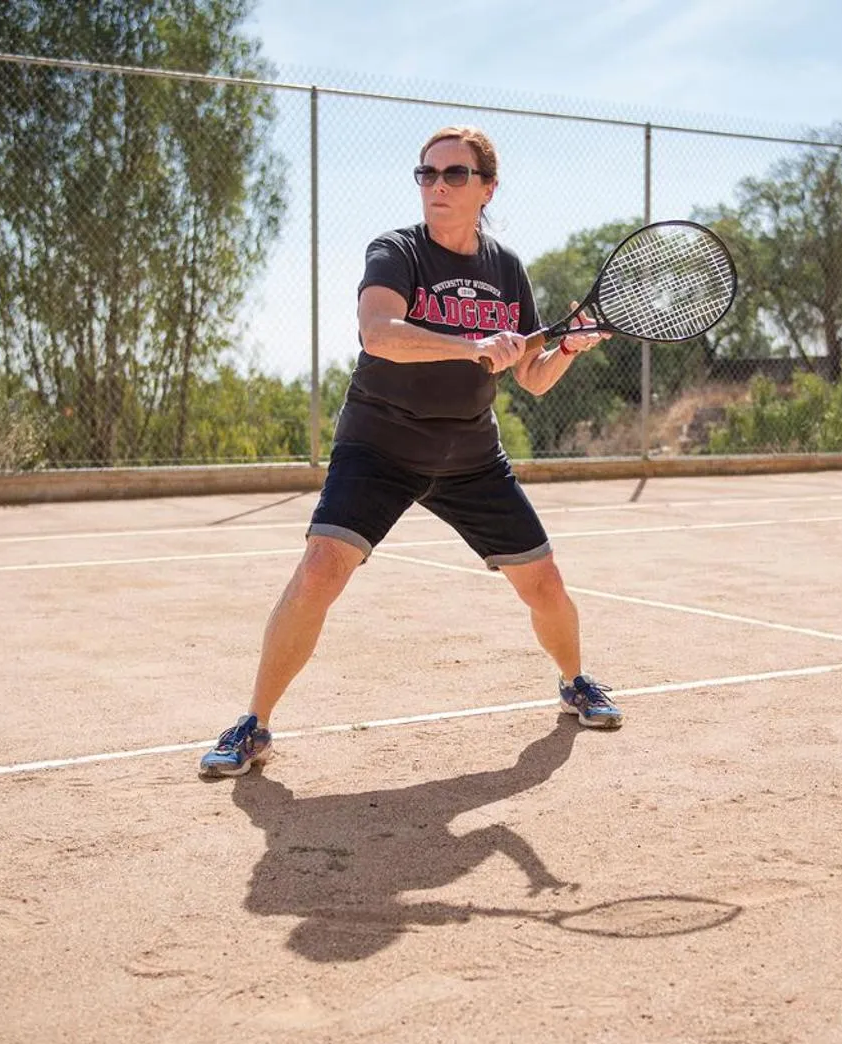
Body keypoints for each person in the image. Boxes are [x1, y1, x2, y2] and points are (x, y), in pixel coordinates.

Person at [200, 125, 619, 779]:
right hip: (379, 444)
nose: (437, 185)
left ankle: (574, 683)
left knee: (545, 584)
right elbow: (379, 334)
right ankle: (253, 724)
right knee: (320, 569)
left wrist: (565, 346)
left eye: (454, 174)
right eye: (427, 173)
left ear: (487, 188)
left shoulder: (506, 269)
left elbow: (531, 376)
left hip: (470, 453)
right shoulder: (397, 250)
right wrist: (471, 345)